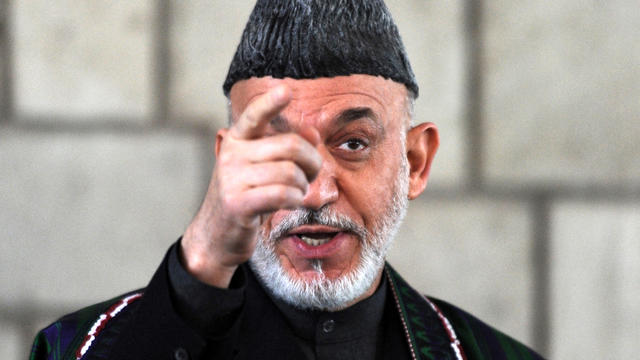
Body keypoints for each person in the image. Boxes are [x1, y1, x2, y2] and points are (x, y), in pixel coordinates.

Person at [30, 1, 544, 359]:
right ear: (228, 164)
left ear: (416, 160)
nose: (315, 193)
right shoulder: (72, 350)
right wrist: (202, 262)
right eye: (276, 147)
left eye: (353, 144)